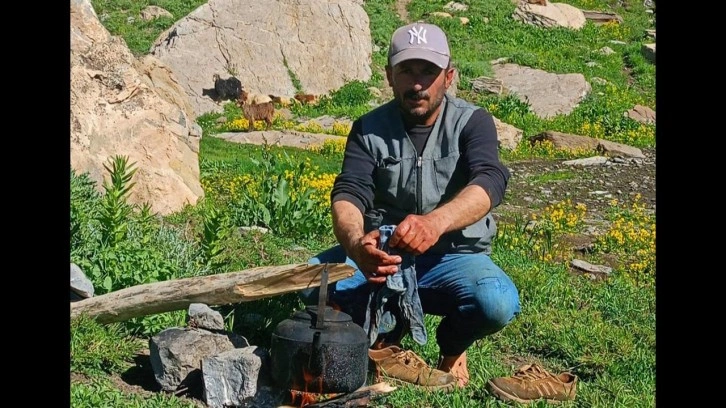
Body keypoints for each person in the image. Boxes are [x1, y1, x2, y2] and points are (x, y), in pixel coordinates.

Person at [301, 22, 521, 390]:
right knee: (312, 282)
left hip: (454, 255)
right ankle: (388, 333)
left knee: (496, 302)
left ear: (448, 77)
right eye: (406, 70)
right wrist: (356, 245)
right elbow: (349, 192)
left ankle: (452, 349)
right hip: (387, 255)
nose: (417, 84)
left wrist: (435, 223)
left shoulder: (473, 122)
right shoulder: (368, 128)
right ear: (389, 75)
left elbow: (490, 181)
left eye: (428, 72)